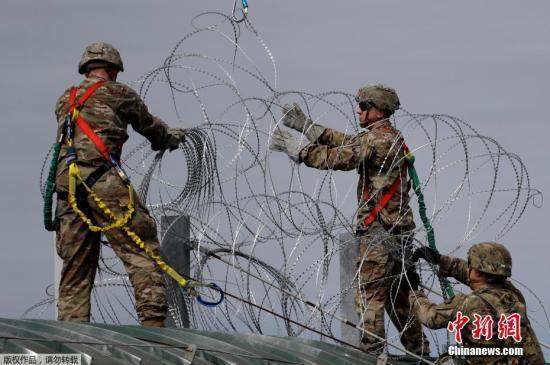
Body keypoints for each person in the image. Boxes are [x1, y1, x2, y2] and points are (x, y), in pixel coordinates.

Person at [269, 84, 429, 354]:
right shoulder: (389, 137)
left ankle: (371, 355)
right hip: (398, 234)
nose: (359, 110)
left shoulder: (377, 140)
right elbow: (348, 141)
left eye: (365, 106)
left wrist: (300, 151)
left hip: (379, 234)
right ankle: (421, 353)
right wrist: (309, 126)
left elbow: (341, 157)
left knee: (369, 297)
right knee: (398, 297)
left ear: (379, 111)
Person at [53, 42, 186, 327]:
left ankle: (71, 334)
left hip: (69, 187)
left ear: (86, 69)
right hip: (103, 181)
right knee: (140, 250)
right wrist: (168, 137)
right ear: (113, 70)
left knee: (75, 265)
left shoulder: (66, 98)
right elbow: (148, 124)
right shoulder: (119, 92)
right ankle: (153, 328)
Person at [410, 242, 545, 364]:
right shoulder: (513, 295)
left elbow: (430, 317)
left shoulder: (470, 303)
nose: (468, 268)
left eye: (470, 264)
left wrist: (413, 292)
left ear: (478, 273)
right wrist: (441, 260)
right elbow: (479, 275)